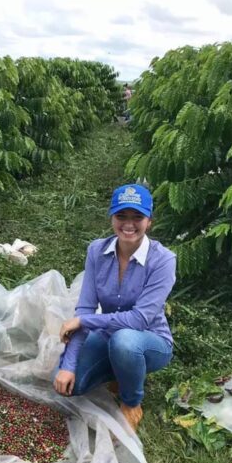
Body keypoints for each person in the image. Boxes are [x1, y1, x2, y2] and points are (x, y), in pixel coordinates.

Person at [52, 184, 176, 431]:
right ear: (112, 217)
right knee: (70, 386)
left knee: (124, 343)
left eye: (137, 217)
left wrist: (84, 322)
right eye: (121, 216)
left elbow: (139, 320)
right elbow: (85, 308)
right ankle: (120, 371)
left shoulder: (163, 260)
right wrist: (68, 367)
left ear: (149, 221)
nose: (129, 224)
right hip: (108, 335)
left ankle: (131, 401)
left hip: (150, 340)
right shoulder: (97, 251)